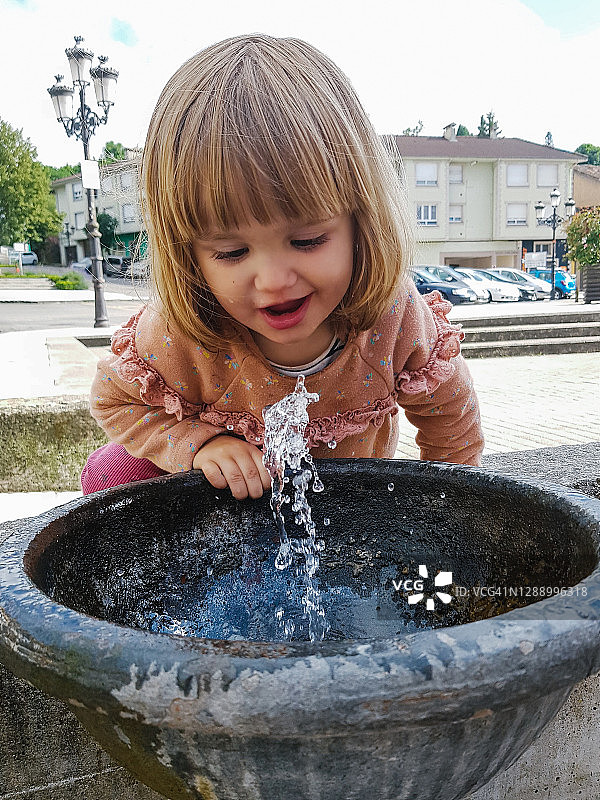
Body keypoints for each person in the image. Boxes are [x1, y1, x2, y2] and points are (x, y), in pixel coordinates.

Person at [82, 34, 484, 499]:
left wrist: (444, 519)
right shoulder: (180, 335)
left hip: (344, 508)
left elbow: (452, 422)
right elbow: (113, 400)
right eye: (231, 253)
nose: (273, 281)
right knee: (112, 470)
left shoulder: (394, 321)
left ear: (360, 222)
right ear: (187, 255)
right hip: (222, 499)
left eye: (308, 240)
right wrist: (200, 445)